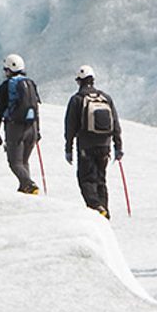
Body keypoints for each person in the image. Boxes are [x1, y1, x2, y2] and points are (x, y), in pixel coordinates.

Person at [62, 66, 123, 215]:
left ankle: (96, 208)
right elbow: (115, 123)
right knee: (101, 180)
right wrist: (118, 147)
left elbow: (70, 126)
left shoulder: (77, 99)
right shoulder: (105, 98)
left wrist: (68, 149)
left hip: (86, 146)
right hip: (105, 146)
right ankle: (104, 211)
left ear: (79, 81)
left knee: (86, 179)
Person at [0, 55, 44, 194]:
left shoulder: (6, 86)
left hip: (15, 127)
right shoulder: (30, 84)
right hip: (32, 127)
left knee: (15, 162)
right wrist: (37, 130)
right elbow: (36, 107)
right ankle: (24, 187)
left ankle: (29, 184)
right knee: (24, 161)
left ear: (9, 69)